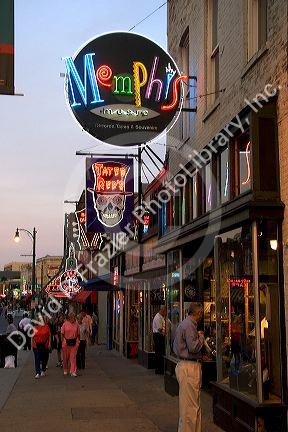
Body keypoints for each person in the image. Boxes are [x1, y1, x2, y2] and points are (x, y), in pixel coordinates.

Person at [173, 302, 204, 432]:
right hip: (189, 367)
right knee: (190, 407)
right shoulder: (190, 325)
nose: (202, 316)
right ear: (198, 313)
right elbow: (193, 347)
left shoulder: (185, 324)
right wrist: (201, 337)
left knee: (189, 405)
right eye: (201, 313)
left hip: (185, 365)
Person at [61, 312, 80, 377]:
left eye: (74, 317)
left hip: (74, 342)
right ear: (69, 318)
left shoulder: (76, 324)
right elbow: (62, 333)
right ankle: (65, 369)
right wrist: (62, 341)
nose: (73, 318)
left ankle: (73, 371)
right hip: (66, 343)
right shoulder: (65, 324)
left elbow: (78, 333)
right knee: (65, 358)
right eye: (72, 317)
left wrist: (78, 341)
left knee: (73, 357)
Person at [152, 305, 167, 374]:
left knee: (160, 352)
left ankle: (160, 368)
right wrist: (165, 331)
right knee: (159, 352)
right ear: (162, 310)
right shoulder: (158, 317)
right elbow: (159, 329)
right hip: (158, 336)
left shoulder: (161, 317)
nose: (165, 312)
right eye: (165, 311)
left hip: (159, 336)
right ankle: (158, 369)